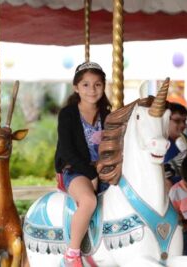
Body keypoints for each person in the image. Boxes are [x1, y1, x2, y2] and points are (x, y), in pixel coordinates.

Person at [55, 62, 111, 267]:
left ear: (103, 87)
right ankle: (72, 252)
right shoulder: (68, 114)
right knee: (88, 201)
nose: (92, 90)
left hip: (104, 171)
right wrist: (91, 173)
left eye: (97, 84)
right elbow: (67, 151)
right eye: (86, 85)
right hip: (76, 169)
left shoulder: (108, 114)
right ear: (76, 87)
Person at [164, 102, 187, 190]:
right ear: (166, 120)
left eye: (184, 121)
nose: (183, 125)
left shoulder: (177, 145)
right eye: (177, 121)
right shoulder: (164, 146)